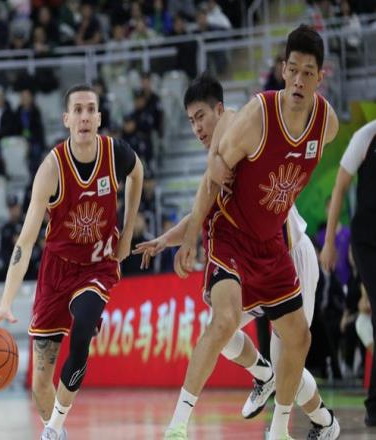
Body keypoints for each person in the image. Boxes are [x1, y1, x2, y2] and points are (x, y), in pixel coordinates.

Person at [135, 71, 340, 438]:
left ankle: (323, 421)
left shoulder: (235, 125)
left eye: (201, 117)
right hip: (251, 256)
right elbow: (204, 206)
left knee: (289, 359)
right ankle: (262, 375)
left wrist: (213, 163)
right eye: (191, 121)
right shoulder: (222, 156)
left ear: (218, 109)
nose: (197, 127)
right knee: (223, 329)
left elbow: (229, 127)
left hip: (291, 253)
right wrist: (167, 239)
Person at [0, 84, 144, 440]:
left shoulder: (115, 153)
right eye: (78, 110)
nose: (85, 116)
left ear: (99, 117)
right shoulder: (51, 169)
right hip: (57, 271)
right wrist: (6, 301)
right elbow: (26, 240)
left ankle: (54, 427)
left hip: (98, 267)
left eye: (91, 109)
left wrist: (128, 231)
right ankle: (58, 432)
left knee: (83, 328)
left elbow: (138, 173)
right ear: (66, 119)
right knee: (41, 381)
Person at [320, 118, 376, 427]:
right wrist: (329, 243)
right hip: (367, 241)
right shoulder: (366, 137)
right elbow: (339, 188)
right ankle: (374, 406)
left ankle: (374, 405)